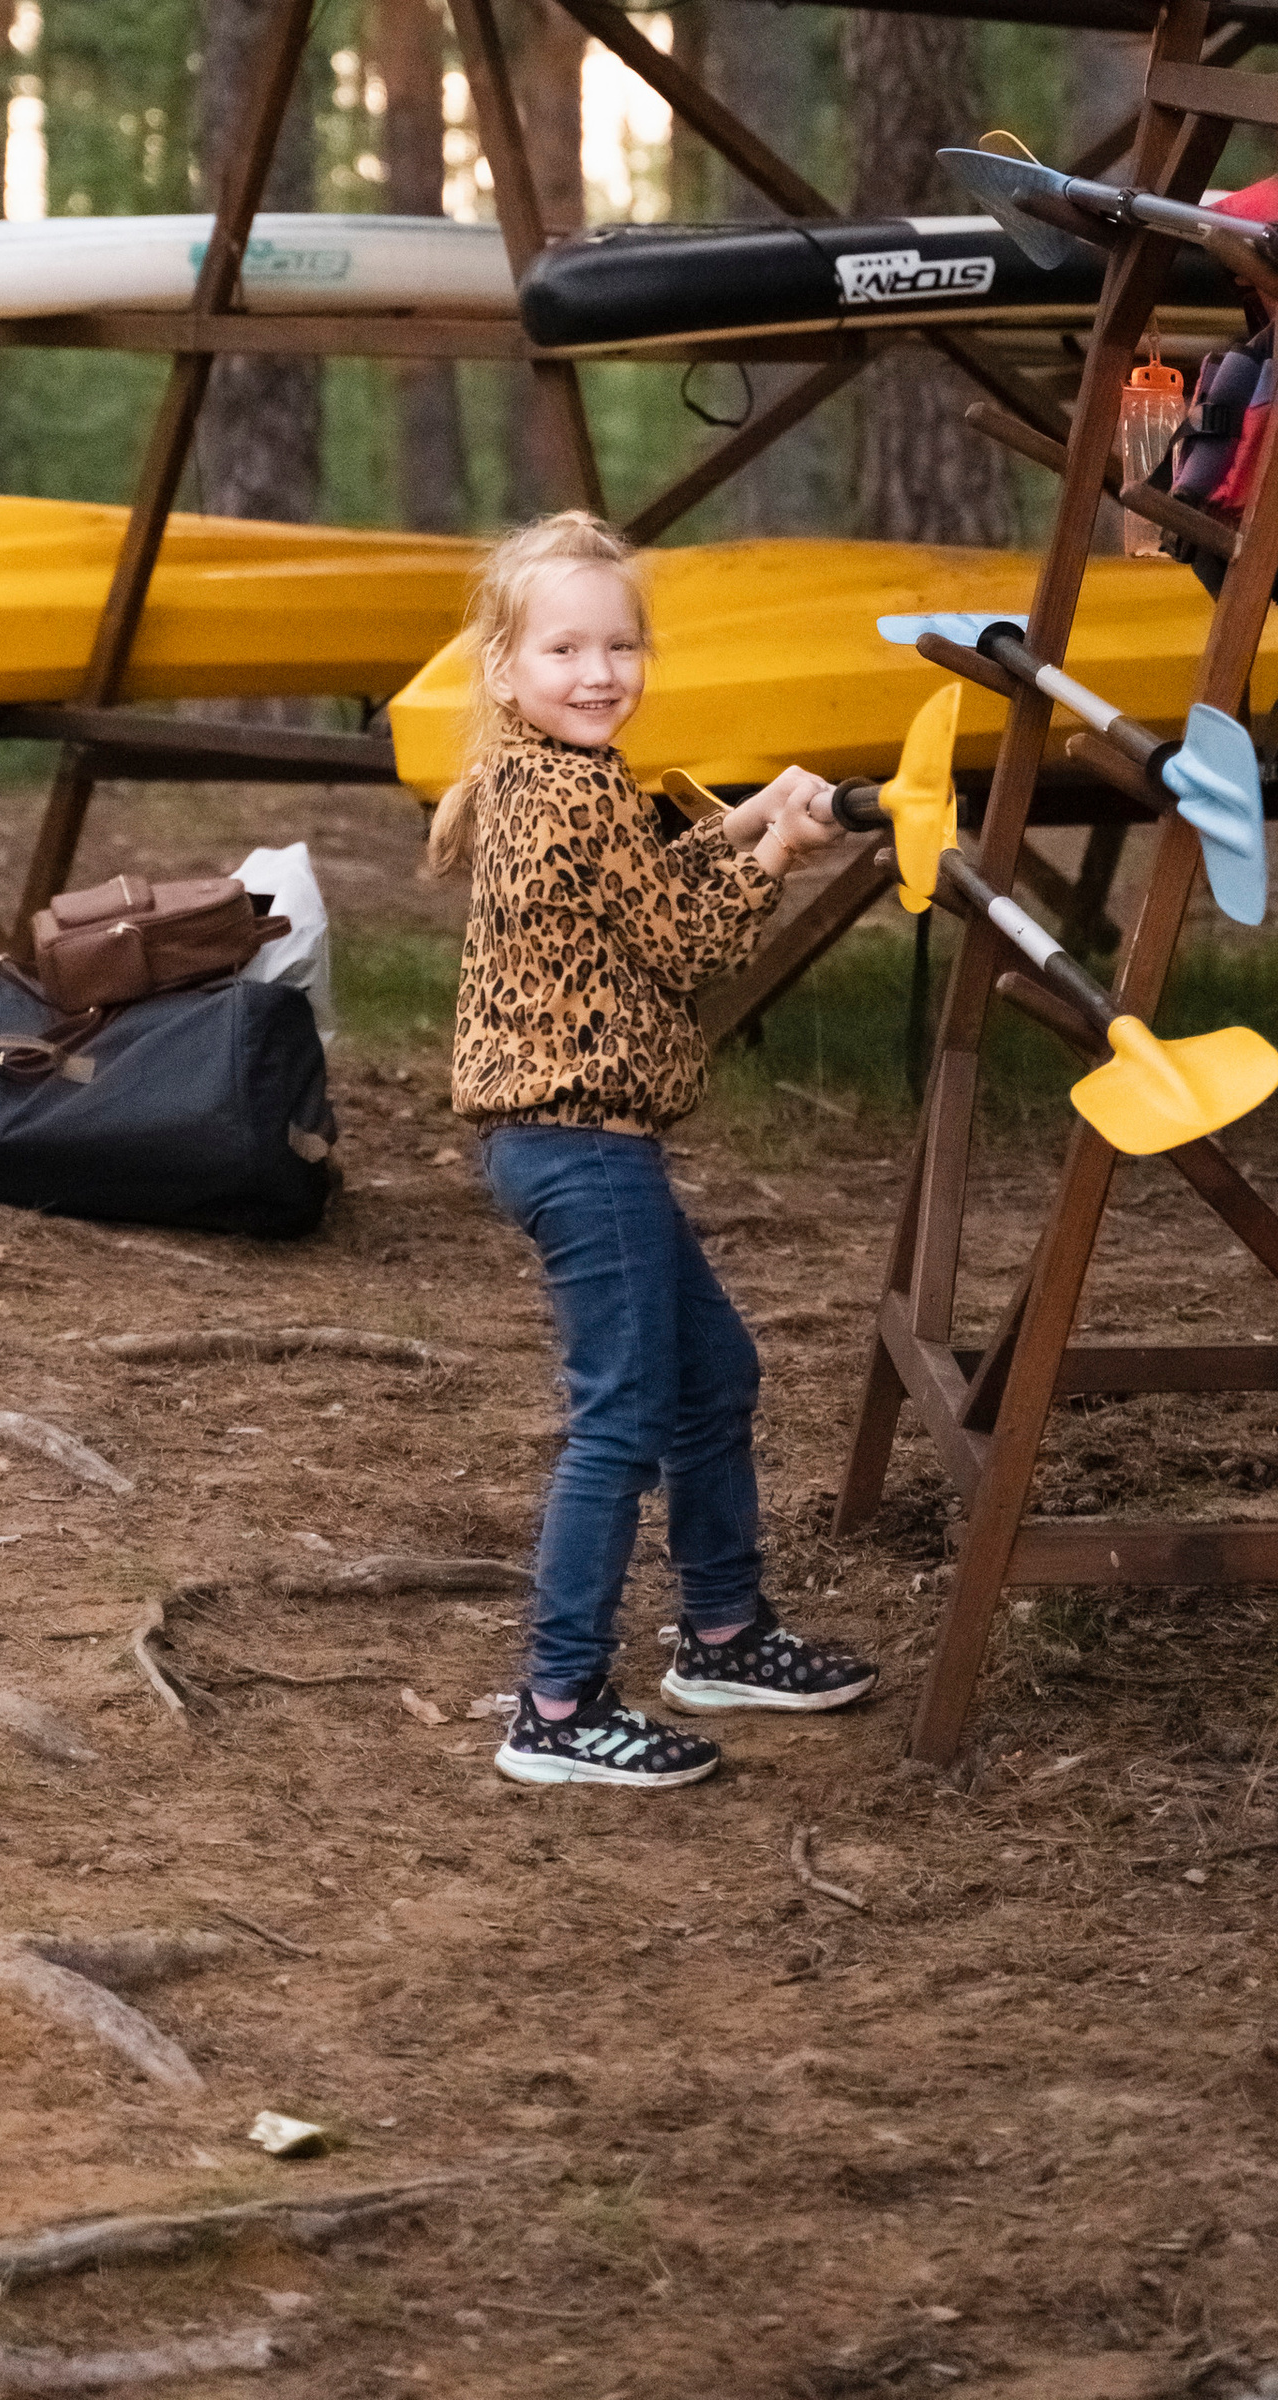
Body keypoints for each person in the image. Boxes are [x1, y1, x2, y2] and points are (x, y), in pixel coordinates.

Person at [430, 510, 880, 1792]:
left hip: (570, 1143)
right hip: (583, 1148)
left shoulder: (552, 781)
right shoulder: (571, 788)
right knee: (620, 1420)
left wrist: (741, 823)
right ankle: (558, 1706)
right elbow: (684, 946)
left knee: (712, 1378)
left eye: (620, 646)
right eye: (564, 648)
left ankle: (724, 1636)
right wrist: (784, 848)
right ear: (506, 669)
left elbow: (643, 883)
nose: (598, 673)